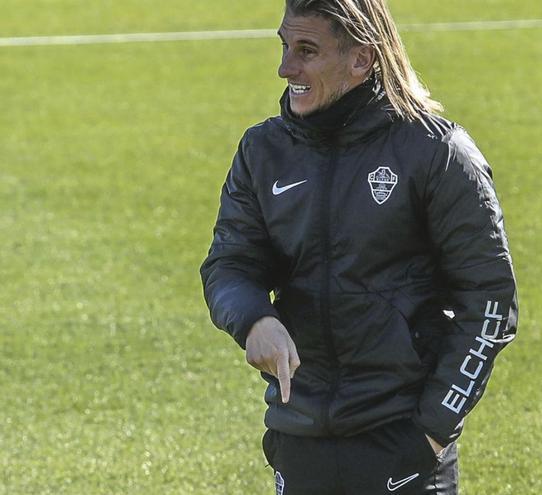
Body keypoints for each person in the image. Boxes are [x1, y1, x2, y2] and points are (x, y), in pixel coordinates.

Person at [199, 1, 517, 493]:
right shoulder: (263, 152)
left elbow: (491, 300)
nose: (286, 68)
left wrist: (432, 429)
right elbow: (231, 262)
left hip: (401, 441)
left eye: (307, 50)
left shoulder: (436, 153)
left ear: (362, 59)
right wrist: (254, 319)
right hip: (298, 433)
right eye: (284, 46)